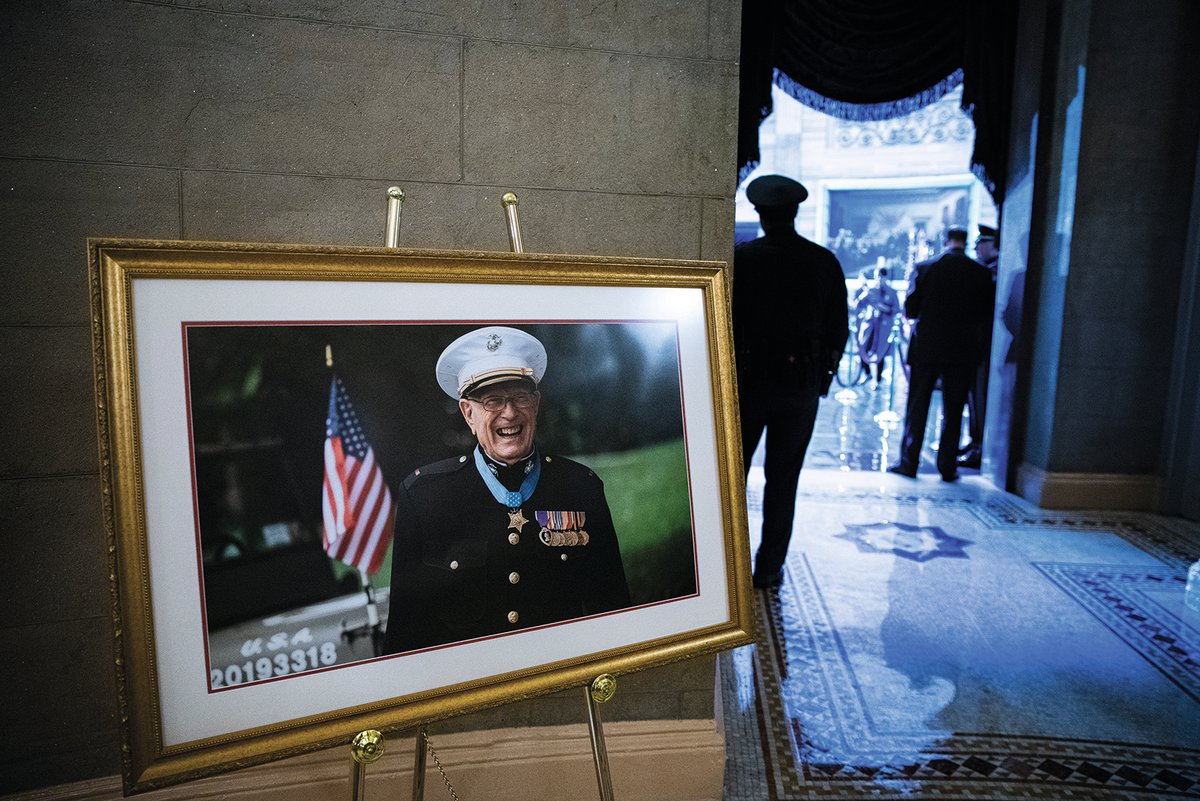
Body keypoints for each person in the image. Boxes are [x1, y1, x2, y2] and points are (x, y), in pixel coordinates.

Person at [383, 326, 630, 654]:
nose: (509, 412)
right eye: (492, 401)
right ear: (468, 413)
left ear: (536, 404)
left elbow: (614, 614)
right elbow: (404, 636)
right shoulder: (425, 497)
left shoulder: (581, 488)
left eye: (519, 397)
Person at [733, 175, 848, 588]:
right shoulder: (823, 261)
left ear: (761, 214)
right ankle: (768, 568)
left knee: (733, 477)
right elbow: (839, 331)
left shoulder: (743, 259)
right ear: (795, 213)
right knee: (784, 480)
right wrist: (819, 382)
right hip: (799, 387)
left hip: (747, 384)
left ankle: (727, 569)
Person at [889, 226, 993, 482]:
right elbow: (985, 313)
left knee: (918, 405)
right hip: (962, 349)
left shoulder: (926, 268)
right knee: (954, 408)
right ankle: (947, 466)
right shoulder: (979, 272)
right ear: (966, 243)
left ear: (946, 241)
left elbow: (911, 309)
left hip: (927, 348)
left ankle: (909, 461)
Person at [959, 224, 1000, 468]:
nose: (976, 248)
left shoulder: (992, 272)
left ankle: (979, 446)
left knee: (981, 399)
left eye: (979, 244)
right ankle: (975, 442)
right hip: (977, 347)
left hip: (983, 346)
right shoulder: (985, 271)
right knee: (975, 399)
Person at [853, 265, 900, 384]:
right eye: (876, 277)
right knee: (862, 349)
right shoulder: (870, 291)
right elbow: (857, 305)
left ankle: (877, 379)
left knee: (881, 352)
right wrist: (863, 296)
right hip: (870, 326)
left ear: (885, 277)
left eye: (880, 276)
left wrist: (884, 308)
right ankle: (867, 373)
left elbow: (896, 309)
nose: (878, 279)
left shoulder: (892, 292)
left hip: (884, 326)